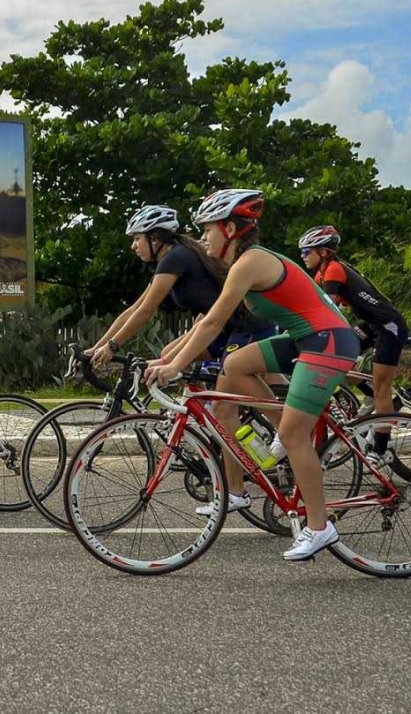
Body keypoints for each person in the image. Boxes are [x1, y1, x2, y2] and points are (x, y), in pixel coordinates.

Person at [145, 189, 359, 562]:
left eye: (207, 229)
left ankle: (320, 527)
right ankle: (278, 439)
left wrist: (175, 366)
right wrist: (171, 357)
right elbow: (205, 322)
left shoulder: (249, 262)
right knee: (234, 365)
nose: (202, 238)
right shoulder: (239, 265)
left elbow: (214, 321)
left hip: (328, 343)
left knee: (294, 435)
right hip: (307, 338)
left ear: (230, 228)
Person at [90, 205, 273, 368]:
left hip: (247, 326)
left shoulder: (174, 259)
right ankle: (195, 403)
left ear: (154, 239)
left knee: (228, 391)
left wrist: (112, 346)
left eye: (137, 238)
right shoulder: (175, 256)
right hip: (225, 327)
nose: (133, 246)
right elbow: (135, 308)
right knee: (168, 354)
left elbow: (145, 311)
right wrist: (99, 347)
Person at [299, 225, 408, 461]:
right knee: (342, 358)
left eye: (306, 251)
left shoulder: (335, 270)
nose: (303, 256)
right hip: (372, 324)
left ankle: (381, 449)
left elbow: (327, 311)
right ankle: (372, 400)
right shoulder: (322, 273)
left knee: (383, 388)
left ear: (324, 252)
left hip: (389, 326)